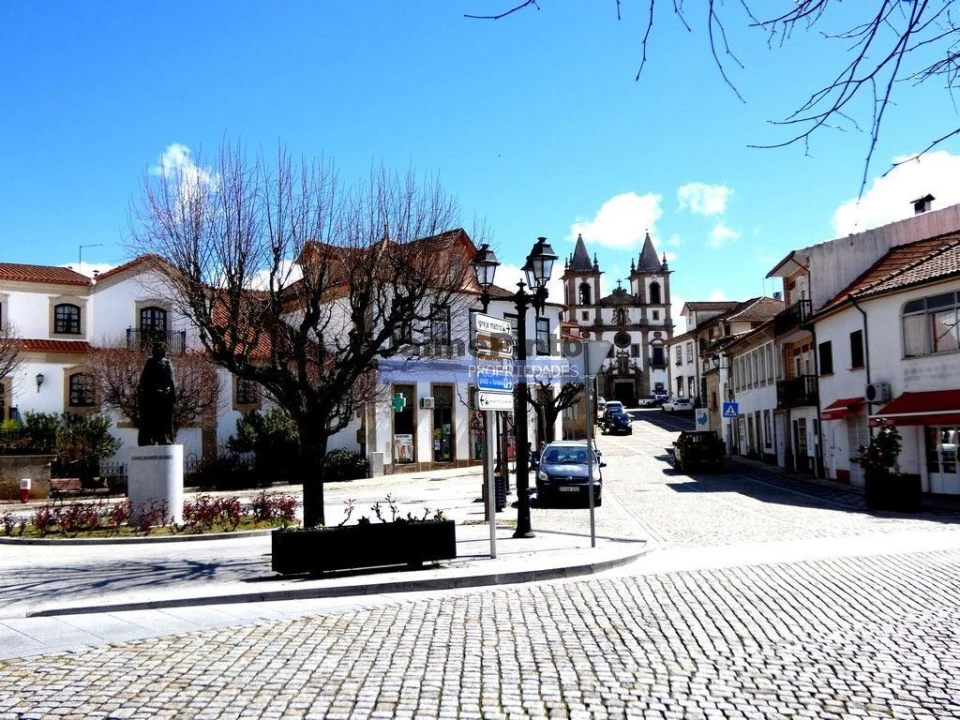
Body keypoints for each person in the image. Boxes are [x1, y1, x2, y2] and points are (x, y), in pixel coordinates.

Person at [138, 342, 176, 446]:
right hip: (151, 397)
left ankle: (164, 439)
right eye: (155, 349)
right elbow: (144, 379)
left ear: (163, 351)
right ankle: (149, 439)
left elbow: (170, 379)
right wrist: (148, 391)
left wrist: (167, 390)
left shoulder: (167, 362)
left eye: (159, 349)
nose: (156, 351)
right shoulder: (149, 362)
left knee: (163, 420)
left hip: (163, 398)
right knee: (150, 419)